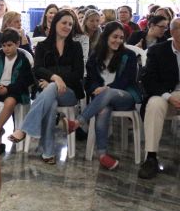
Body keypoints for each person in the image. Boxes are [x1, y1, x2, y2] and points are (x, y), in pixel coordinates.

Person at [8, 10, 84, 164]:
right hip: (46, 90)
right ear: (55, 24)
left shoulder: (76, 46)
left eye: (70, 24)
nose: (67, 26)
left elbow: (78, 74)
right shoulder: (43, 46)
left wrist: (54, 81)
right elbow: (37, 70)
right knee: (51, 102)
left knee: (51, 88)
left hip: (69, 92)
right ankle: (48, 152)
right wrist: (55, 78)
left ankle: (24, 129)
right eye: (64, 23)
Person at [61, 22, 140, 170]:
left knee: (107, 92)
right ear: (106, 36)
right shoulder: (95, 56)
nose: (118, 40)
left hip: (124, 96)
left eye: (121, 38)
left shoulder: (128, 55)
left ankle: (78, 122)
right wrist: (95, 88)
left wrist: (106, 88)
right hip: (103, 100)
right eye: (115, 37)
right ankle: (103, 155)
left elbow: (127, 80)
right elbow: (89, 81)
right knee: (103, 109)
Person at [138, 18, 180, 179]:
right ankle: (151, 157)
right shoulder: (158, 51)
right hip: (166, 95)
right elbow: (149, 79)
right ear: (173, 32)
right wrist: (168, 97)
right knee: (154, 104)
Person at [0, 29, 34, 151]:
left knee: (10, 102)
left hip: (14, 91)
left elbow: (24, 81)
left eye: (9, 45)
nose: (6, 49)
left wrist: (7, 89)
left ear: (17, 44)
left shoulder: (23, 60)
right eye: (4, 46)